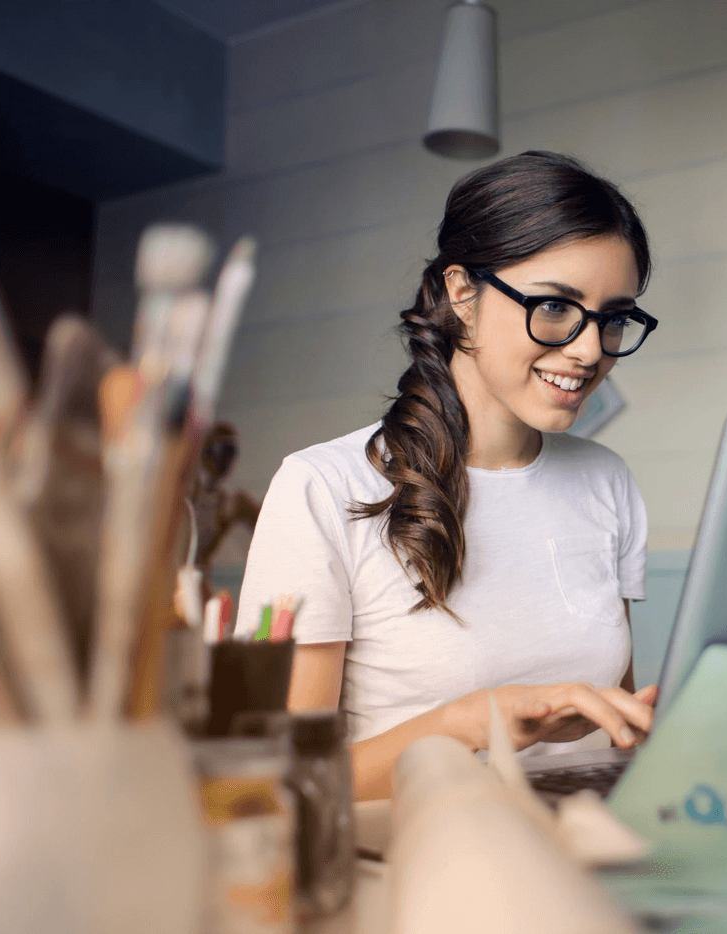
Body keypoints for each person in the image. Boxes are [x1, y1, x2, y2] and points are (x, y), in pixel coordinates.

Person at [236, 151, 661, 799]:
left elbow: (618, 721)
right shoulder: (321, 488)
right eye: (554, 307)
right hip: (423, 853)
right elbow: (281, 781)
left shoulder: (607, 481)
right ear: (463, 293)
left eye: (614, 318)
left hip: (587, 839)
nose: (589, 350)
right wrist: (470, 723)